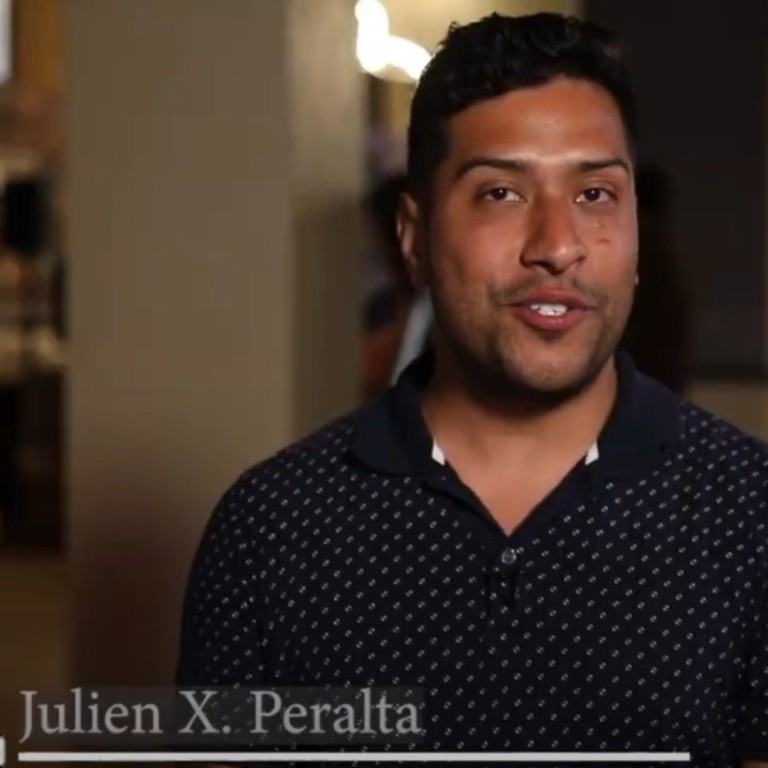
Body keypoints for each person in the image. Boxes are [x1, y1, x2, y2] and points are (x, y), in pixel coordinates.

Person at [176, 12, 768, 764]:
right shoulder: (269, 530)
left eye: (595, 194)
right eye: (501, 193)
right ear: (414, 239)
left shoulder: (749, 513)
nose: (557, 246)